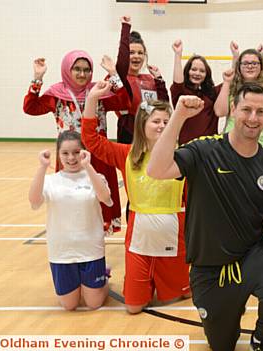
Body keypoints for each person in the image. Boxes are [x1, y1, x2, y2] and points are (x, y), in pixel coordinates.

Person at [147, 83, 263, 351]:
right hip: (210, 266)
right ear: (233, 109)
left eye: (261, 112)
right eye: (246, 109)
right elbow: (156, 170)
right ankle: (228, 312)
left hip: (252, 255)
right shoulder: (204, 150)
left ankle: (261, 337)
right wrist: (178, 117)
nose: (253, 118)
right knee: (222, 344)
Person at [81, 81, 191, 314]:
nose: (162, 126)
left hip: (173, 233)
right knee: (133, 306)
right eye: (156, 121)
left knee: (182, 296)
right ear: (143, 124)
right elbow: (91, 140)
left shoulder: (183, 155)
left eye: (166, 121)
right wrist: (91, 100)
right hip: (139, 235)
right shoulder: (126, 154)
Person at [23, 50, 128, 235]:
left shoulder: (99, 91)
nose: (82, 74)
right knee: (70, 202)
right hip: (69, 156)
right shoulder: (57, 94)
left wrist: (113, 74)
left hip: (98, 157)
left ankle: (96, 248)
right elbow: (30, 108)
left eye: (87, 70)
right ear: (67, 70)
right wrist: (37, 78)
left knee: (101, 203)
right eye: (77, 69)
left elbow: (125, 101)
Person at [29, 131, 112, 311]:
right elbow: (34, 202)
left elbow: (105, 198)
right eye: (65, 153)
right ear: (58, 154)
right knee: (69, 305)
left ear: (83, 152)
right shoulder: (51, 181)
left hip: (91, 248)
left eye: (76, 152)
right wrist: (42, 167)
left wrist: (89, 167)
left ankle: (104, 278)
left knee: (93, 303)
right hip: (61, 251)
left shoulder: (95, 177)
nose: (71, 157)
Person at [215, 47, 263, 155]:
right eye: (245, 63)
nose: (250, 66)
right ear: (239, 67)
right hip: (233, 145)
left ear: (261, 66)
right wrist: (226, 82)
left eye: (254, 63)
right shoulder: (231, 87)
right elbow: (220, 112)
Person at [115, 16, 170, 144]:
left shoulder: (149, 79)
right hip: (129, 133)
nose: (136, 56)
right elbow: (121, 65)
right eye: (131, 52)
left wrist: (159, 80)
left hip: (151, 133)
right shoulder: (120, 79)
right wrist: (125, 28)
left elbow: (163, 105)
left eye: (140, 53)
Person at [170, 39, 221, 144]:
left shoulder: (211, 93)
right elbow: (177, 83)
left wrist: (235, 57)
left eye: (202, 71)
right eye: (193, 69)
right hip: (187, 147)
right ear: (187, 71)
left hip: (209, 147)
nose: (197, 73)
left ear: (206, 75)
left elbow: (230, 81)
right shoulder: (181, 92)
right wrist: (178, 55)